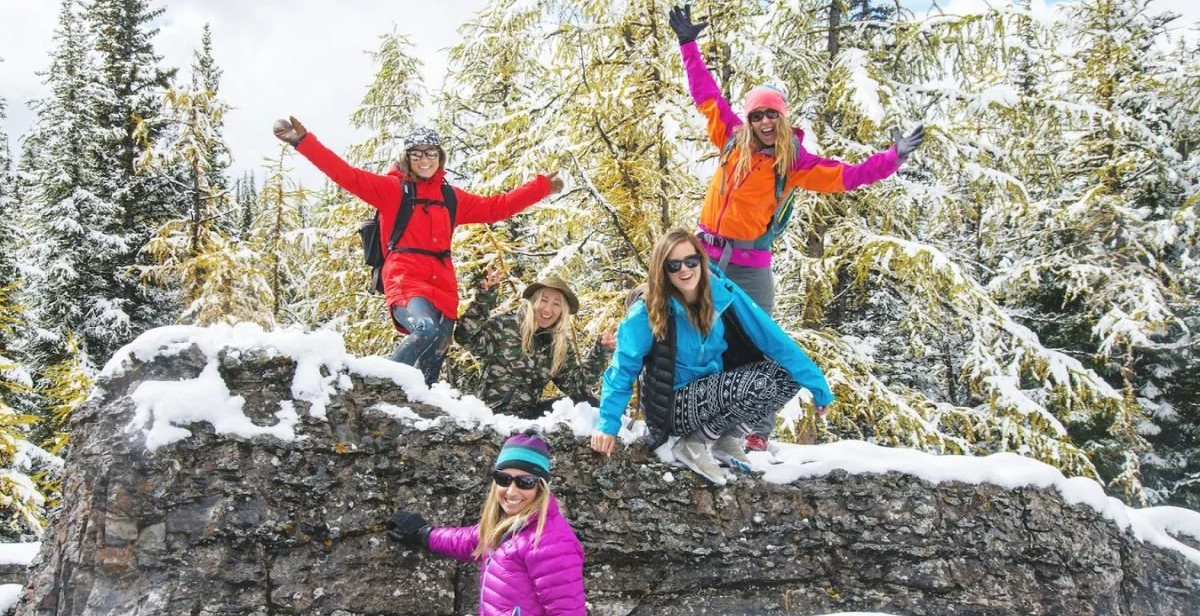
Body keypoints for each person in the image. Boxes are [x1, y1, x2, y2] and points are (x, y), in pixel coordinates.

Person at [668, 4, 922, 453]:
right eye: (758, 115)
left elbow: (848, 176)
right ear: (749, 120)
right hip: (702, 258)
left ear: (783, 119)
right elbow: (704, 93)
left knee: (758, 343)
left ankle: (756, 432)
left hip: (748, 265)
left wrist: (893, 158)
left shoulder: (795, 163)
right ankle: (688, 417)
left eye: (772, 115)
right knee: (690, 334)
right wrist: (689, 44)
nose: (765, 122)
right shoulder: (729, 138)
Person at [273, 117, 562, 385]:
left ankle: (416, 419)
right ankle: (376, 386)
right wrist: (303, 141)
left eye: (431, 153)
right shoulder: (392, 190)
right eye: (417, 154)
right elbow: (346, 175)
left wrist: (541, 188)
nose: (425, 160)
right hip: (406, 279)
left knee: (432, 364)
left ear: (440, 157)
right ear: (407, 158)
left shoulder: (450, 197)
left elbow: (496, 207)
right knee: (425, 329)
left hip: (445, 288)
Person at [589, 229, 833, 485]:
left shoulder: (721, 293)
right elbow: (623, 369)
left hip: (712, 394)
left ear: (701, 260)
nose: (684, 270)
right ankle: (694, 444)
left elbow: (771, 337)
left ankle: (727, 439)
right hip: (672, 404)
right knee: (759, 384)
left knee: (788, 375)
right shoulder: (648, 310)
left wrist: (816, 383)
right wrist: (607, 424)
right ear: (662, 271)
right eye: (674, 265)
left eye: (691, 261)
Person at [386, 432, 588, 616]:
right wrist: (424, 535)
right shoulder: (508, 527)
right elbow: (470, 540)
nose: (511, 491)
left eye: (525, 481)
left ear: (541, 486)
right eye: (503, 479)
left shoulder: (550, 540)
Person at [455, 270, 615, 417]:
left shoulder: (557, 345)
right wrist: (485, 298)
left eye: (556, 304)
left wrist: (601, 351)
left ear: (562, 311)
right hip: (492, 415)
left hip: (528, 416)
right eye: (543, 300)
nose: (548, 309)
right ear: (533, 301)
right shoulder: (505, 326)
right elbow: (465, 336)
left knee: (590, 404)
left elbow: (577, 388)